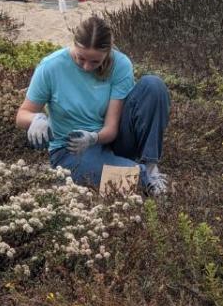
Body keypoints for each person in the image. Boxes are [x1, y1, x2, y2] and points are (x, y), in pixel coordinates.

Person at [15, 16, 170, 195]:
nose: (87, 67)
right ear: (74, 44)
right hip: (71, 150)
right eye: (81, 59)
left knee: (153, 86)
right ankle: (140, 176)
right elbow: (22, 114)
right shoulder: (51, 67)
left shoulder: (120, 64)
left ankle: (150, 168)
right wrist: (37, 118)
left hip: (111, 140)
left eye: (95, 61)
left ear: (107, 52)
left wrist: (93, 138)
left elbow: (111, 129)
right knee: (134, 183)